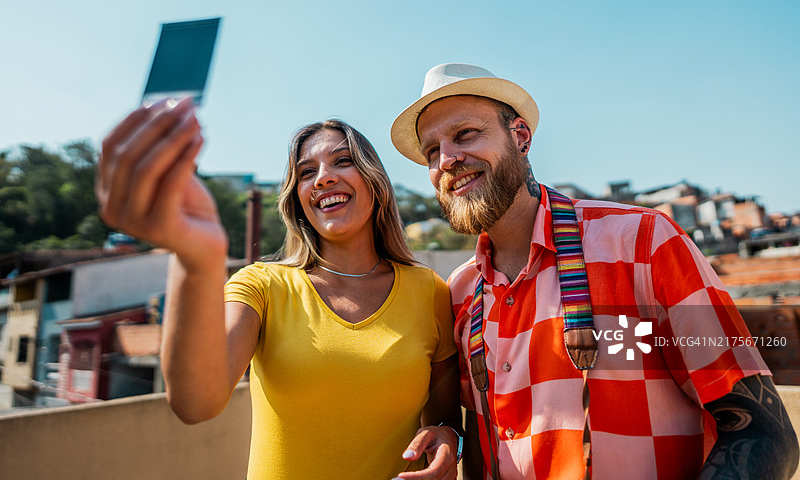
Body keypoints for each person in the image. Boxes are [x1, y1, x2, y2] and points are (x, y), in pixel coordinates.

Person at [391, 63, 799, 479]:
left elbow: (765, 434)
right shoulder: (460, 291)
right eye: (431, 152)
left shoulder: (643, 243)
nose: (448, 159)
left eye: (465, 134)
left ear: (520, 137)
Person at [95, 99, 464, 480]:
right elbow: (195, 403)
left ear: (375, 181)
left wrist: (449, 439)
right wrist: (193, 256)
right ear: (298, 199)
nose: (323, 178)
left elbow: (444, 419)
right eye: (307, 171)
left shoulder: (430, 292)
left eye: (342, 161)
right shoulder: (261, 286)